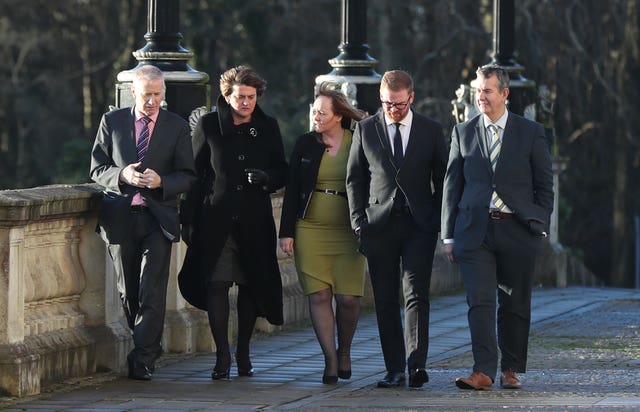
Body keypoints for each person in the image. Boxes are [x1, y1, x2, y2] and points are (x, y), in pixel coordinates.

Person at [441, 64, 554, 390]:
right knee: (479, 301)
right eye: (477, 91)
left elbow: (545, 187)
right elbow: (452, 186)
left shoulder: (529, 131)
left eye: (487, 91)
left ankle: (511, 369)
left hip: (517, 230)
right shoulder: (463, 132)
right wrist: (448, 235)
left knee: (515, 303)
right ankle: (483, 371)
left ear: (504, 93)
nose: (481, 97)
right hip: (474, 231)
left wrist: (539, 222)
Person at [178, 65, 287, 380]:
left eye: (251, 97)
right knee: (217, 283)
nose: (246, 103)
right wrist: (188, 219)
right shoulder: (209, 126)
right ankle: (222, 355)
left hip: (255, 220)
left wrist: (267, 178)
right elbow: (195, 176)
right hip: (216, 219)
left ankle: (243, 352)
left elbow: (282, 169)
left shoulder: (268, 127)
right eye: (240, 97)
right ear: (227, 96)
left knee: (251, 285)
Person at [90, 65, 196, 380]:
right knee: (129, 292)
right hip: (120, 217)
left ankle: (143, 358)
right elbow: (97, 169)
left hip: (158, 219)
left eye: (157, 95)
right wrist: (122, 175)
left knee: (152, 289)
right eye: (146, 94)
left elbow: (188, 176)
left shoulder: (176, 126)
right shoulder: (112, 121)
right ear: (134, 92)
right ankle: (147, 345)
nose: (152, 101)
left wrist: (161, 180)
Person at [346, 70, 448, 388]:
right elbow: (355, 180)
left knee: (416, 295)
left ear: (411, 98)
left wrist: (438, 221)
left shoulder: (430, 130)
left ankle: (416, 365)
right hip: (379, 226)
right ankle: (394, 369)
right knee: (386, 299)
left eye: (399, 104)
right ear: (381, 98)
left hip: (419, 225)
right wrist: (359, 224)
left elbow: (444, 178)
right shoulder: (365, 129)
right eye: (388, 104)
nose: (393, 110)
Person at [279, 82, 367, 385]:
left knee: (348, 299)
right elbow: (291, 190)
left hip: (349, 231)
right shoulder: (305, 144)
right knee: (318, 295)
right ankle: (330, 360)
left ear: (339, 115)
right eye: (314, 111)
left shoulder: (359, 141)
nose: (316, 117)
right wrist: (286, 231)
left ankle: (345, 351)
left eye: (322, 113)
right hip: (310, 228)